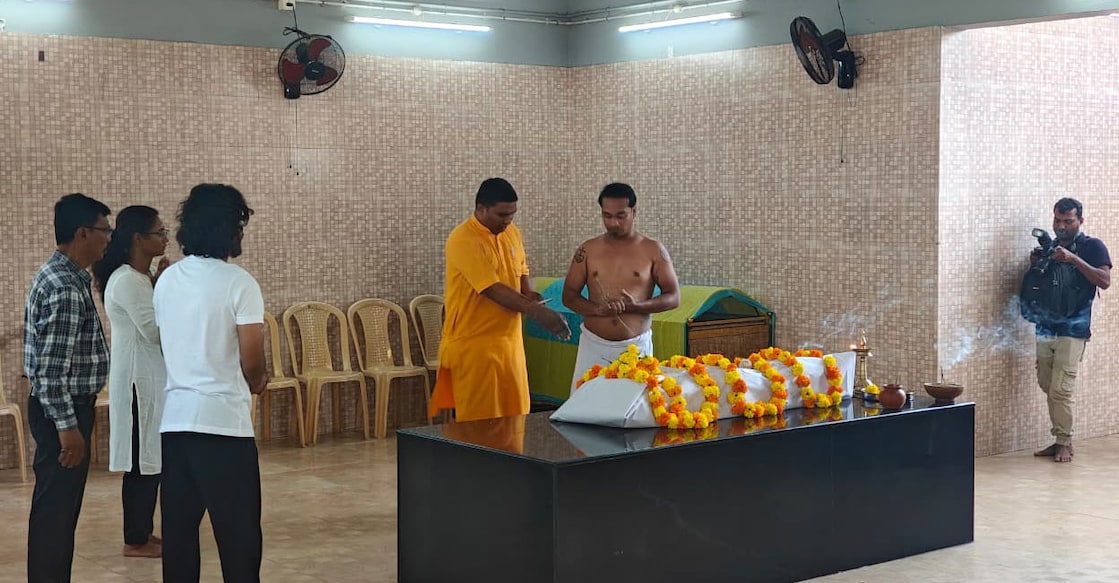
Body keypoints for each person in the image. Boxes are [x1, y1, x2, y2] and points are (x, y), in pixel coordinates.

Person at [153, 184, 267, 582]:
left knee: (180, 537)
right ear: (230, 229)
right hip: (223, 427)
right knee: (238, 537)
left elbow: (169, 344)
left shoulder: (166, 281)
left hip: (177, 423)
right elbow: (251, 358)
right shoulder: (239, 283)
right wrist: (259, 381)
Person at [429, 178, 571, 422]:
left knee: (516, 418)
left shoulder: (511, 232)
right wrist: (536, 312)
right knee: (481, 424)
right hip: (476, 346)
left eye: (512, 214)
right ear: (481, 208)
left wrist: (529, 293)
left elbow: (521, 270)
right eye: (502, 214)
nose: (508, 220)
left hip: (510, 344)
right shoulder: (463, 239)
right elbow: (492, 288)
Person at [24, 193, 112, 582]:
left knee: (56, 509)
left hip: (62, 407)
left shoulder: (63, 275)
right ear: (82, 233)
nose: (108, 239)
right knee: (56, 513)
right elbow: (50, 370)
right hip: (64, 409)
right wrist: (67, 428)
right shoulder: (64, 286)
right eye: (103, 230)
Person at [92, 205, 171, 559]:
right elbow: (154, 332)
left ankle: (142, 531)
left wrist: (158, 283)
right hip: (139, 383)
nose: (165, 237)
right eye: (159, 232)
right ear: (138, 239)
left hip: (150, 379)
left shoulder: (140, 279)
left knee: (149, 459)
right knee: (142, 461)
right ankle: (134, 539)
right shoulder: (126, 280)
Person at [563, 183, 680, 394]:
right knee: (585, 410)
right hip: (593, 344)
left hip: (636, 346)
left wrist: (637, 306)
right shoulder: (588, 250)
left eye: (620, 216)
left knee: (635, 411)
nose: (613, 223)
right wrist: (597, 309)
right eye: (607, 216)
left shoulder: (653, 249)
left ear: (634, 212)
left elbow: (673, 297)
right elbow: (569, 296)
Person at [1028, 198, 1110, 463]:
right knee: (1047, 384)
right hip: (1045, 327)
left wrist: (1074, 259)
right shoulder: (1050, 248)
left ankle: (1064, 440)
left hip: (1073, 329)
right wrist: (1035, 264)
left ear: (1080, 221)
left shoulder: (1092, 246)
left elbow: (1104, 280)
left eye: (1068, 221)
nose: (1061, 226)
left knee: (1061, 390)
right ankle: (1060, 438)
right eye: (1057, 221)